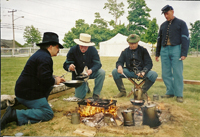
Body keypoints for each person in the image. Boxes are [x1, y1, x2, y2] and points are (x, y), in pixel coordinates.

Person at [1, 32, 65, 130]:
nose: (58, 50)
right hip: (27, 94)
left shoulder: (41, 54)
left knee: (51, 84)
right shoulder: (44, 57)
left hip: (25, 90)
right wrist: (55, 80)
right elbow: (45, 79)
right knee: (48, 113)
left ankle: (37, 107)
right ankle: (14, 114)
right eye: (57, 47)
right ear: (51, 46)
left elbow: (41, 75)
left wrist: (55, 78)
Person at [155, 5, 190, 103]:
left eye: (167, 13)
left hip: (176, 49)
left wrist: (184, 53)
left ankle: (179, 94)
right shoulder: (163, 25)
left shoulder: (181, 23)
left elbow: (185, 38)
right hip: (164, 49)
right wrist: (157, 53)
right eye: (165, 14)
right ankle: (170, 92)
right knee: (165, 73)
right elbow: (159, 40)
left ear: (172, 12)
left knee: (177, 72)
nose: (166, 16)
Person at [112, 34, 158, 98]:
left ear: (138, 42)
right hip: (130, 71)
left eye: (135, 43)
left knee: (154, 74)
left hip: (142, 72)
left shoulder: (143, 50)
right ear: (128, 43)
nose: (133, 45)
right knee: (115, 71)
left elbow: (149, 63)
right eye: (131, 43)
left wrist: (144, 71)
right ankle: (122, 92)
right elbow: (120, 61)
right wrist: (119, 66)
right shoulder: (125, 51)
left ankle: (142, 92)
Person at [63, 33, 105, 101]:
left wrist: (91, 70)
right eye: (81, 46)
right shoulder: (73, 50)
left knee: (102, 72)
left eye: (86, 46)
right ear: (79, 44)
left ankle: (96, 94)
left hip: (90, 73)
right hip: (79, 76)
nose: (83, 48)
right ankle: (85, 87)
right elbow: (66, 64)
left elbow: (98, 64)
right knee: (79, 97)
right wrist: (69, 67)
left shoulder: (93, 50)